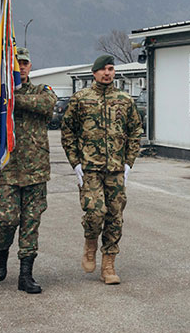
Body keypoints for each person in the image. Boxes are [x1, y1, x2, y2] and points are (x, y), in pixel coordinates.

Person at [0, 48, 56, 294]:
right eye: (15, 64)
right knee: (7, 219)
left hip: (35, 171)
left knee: (31, 223)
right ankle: (2, 251)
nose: (20, 68)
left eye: (24, 64)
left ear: (30, 66)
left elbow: (46, 107)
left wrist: (12, 98)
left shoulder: (41, 91)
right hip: (8, 171)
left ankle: (26, 274)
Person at [61, 54, 143, 285]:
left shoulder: (125, 99)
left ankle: (108, 264)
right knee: (95, 213)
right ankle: (90, 242)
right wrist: (75, 162)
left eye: (111, 69)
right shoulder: (81, 99)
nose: (107, 73)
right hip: (90, 168)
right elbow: (68, 132)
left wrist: (129, 162)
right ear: (94, 73)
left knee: (115, 216)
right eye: (103, 69)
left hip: (116, 168)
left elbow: (135, 130)